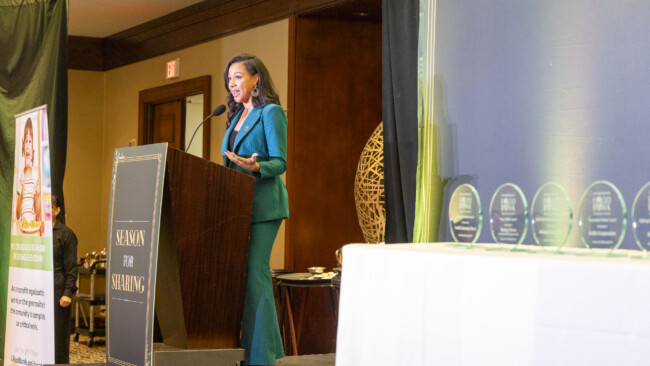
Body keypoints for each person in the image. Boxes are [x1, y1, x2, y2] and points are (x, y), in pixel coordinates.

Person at [221, 53, 288, 366]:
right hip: (237, 207)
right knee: (248, 276)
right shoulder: (235, 117)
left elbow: (281, 162)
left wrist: (256, 165)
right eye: (230, 78)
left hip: (263, 206)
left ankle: (261, 357)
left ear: (256, 78)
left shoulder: (271, 113)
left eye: (238, 77)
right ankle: (264, 351)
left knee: (255, 274)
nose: (232, 84)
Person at [51, 195, 78, 364]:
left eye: (50, 206)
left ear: (57, 210)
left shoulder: (66, 234)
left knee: (57, 337)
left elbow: (71, 267)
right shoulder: (33, 231)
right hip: (37, 292)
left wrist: (68, 292)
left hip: (58, 293)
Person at [15, 118, 41, 230]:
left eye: (30, 141)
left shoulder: (36, 175)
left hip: (32, 227)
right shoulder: (19, 176)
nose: (27, 145)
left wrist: (38, 195)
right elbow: (17, 215)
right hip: (21, 227)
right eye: (25, 141)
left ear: (33, 148)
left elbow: (38, 214)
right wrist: (21, 194)